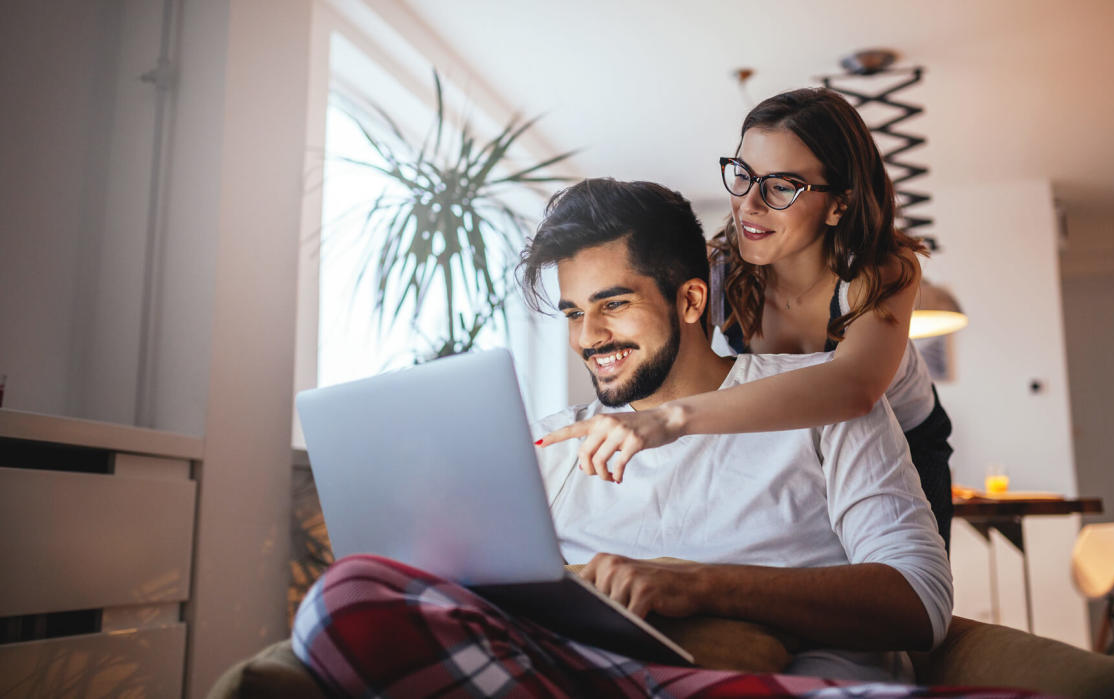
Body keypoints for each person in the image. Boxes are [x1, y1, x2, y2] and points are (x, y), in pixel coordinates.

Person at [291, 179, 952, 695]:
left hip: (768, 680)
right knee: (343, 599)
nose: (587, 337)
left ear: (691, 301)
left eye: (611, 305)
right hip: (587, 676)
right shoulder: (548, 444)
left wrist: (697, 586)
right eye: (575, 313)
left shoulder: (822, 397)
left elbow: (919, 600)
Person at [538, 88, 954, 549]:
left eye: (780, 186)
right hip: (802, 433)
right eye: (743, 175)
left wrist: (669, 420)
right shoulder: (722, 269)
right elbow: (689, 358)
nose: (748, 205)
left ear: (839, 204)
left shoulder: (879, 269)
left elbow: (853, 389)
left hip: (908, 440)